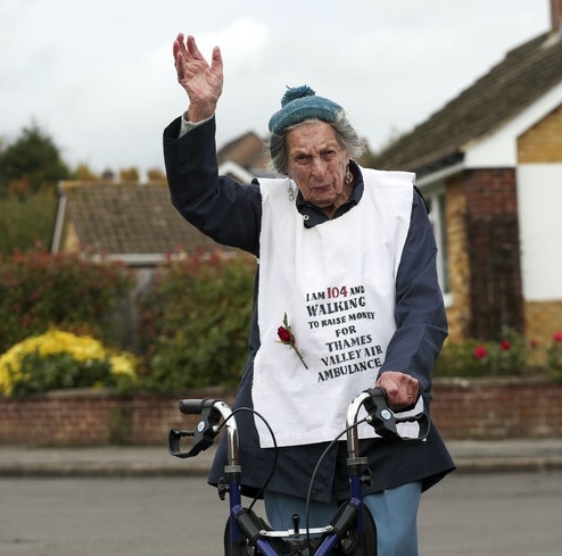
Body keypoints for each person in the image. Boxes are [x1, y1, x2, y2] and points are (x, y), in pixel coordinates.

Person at [163, 33, 455, 556]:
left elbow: (422, 304)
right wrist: (201, 113)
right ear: (284, 166)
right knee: (300, 548)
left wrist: (405, 369)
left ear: (347, 149)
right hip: (290, 422)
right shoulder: (266, 209)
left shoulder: (396, 203)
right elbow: (200, 196)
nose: (318, 170)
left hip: (380, 416)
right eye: (302, 160)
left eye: (327, 153)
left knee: (389, 544)